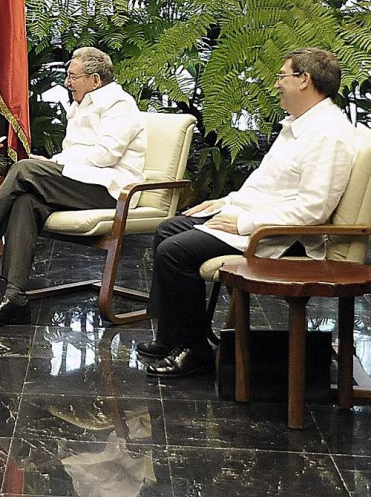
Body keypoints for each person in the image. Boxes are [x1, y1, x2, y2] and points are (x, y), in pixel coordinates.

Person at [144, 47, 357, 378]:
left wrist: (245, 221)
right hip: (263, 220)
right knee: (170, 227)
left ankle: (194, 351)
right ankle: (173, 337)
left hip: (286, 238)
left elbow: (313, 209)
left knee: (175, 252)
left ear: (304, 80)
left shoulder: (328, 134)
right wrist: (226, 203)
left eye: (281, 76)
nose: (276, 85)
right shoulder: (301, 125)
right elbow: (268, 186)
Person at [0, 47, 147, 329]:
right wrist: (53, 164)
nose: (67, 82)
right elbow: (77, 154)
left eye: (73, 76)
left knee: (23, 169)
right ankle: (15, 299)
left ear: (95, 80)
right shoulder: (82, 103)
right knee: (25, 202)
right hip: (82, 181)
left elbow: (105, 156)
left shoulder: (120, 104)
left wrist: (55, 167)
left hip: (111, 191)